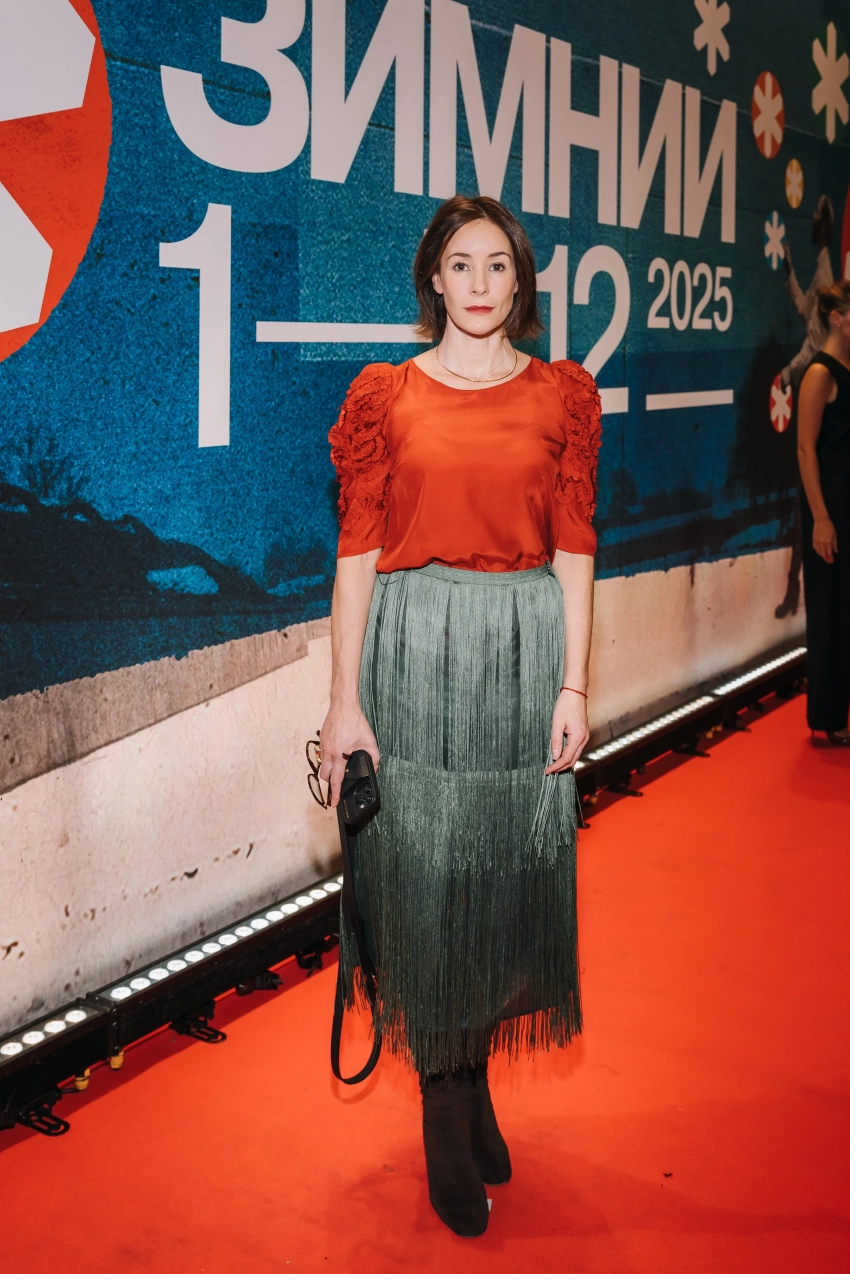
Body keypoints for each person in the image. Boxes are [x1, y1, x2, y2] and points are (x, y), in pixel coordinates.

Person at [319, 195, 601, 1236]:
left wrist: (574, 685)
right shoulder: (384, 397)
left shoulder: (562, 396)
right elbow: (356, 558)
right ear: (432, 281)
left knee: (500, 878)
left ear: (520, 283)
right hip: (415, 655)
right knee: (430, 882)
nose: (479, 284)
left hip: (523, 658)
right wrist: (343, 703)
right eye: (460, 264)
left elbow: (576, 548)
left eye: (498, 265)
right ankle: (445, 1103)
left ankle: (469, 1074)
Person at [797, 277, 850, 745]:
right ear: (838, 319)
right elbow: (805, 449)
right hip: (829, 503)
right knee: (829, 609)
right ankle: (828, 720)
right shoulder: (819, 372)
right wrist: (821, 518)